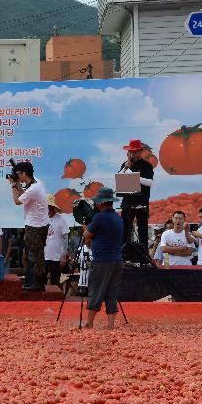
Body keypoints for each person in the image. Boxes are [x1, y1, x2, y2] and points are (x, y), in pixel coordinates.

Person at [82, 187, 124, 329]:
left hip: (102, 260)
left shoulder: (99, 217)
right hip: (117, 260)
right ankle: (110, 325)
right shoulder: (118, 218)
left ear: (101, 203)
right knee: (112, 292)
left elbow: (87, 235)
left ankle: (89, 322)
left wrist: (85, 228)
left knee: (96, 290)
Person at [9, 161, 49, 292]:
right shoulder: (36, 182)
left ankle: (37, 283)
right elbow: (23, 194)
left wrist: (13, 185)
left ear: (24, 173)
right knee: (32, 254)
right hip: (38, 225)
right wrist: (18, 183)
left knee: (34, 256)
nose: (17, 176)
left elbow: (17, 201)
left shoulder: (33, 189)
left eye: (19, 174)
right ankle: (32, 281)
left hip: (35, 226)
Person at [118, 139, 154, 250]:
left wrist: (134, 177)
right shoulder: (125, 164)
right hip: (127, 202)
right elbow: (119, 178)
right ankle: (124, 255)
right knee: (125, 230)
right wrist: (125, 167)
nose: (132, 154)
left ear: (140, 152)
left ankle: (144, 256)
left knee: (142, 230)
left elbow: (149, 182)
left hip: (141, 202)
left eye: (135, 152)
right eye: (130, 152)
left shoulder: (146, 165)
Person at [44, 195, 70, 286]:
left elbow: (66, 239)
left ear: (50, 206)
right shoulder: (42, 220)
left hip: (56, 257)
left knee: (55, 283)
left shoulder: (60, 219)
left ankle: (56, 300)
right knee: (41, 282)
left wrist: (63, 256)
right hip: (43, 256)